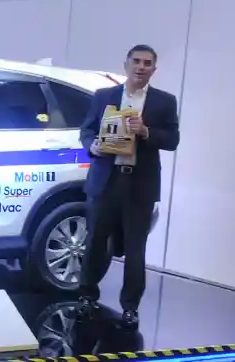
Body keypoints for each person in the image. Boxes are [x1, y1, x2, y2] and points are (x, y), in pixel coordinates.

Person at [76, 44, 180, 328]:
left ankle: (130, 307)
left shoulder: (164, 101)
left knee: (135, 249)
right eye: (136, 61)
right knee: (95, 242)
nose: (141, 67)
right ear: (126, 65)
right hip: (106, 180)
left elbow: (172, 140)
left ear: (154, 69)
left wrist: (146, 131)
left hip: (140, 183)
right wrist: (92, 146)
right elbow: (86, 130)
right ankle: (86, 296)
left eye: (147, 63)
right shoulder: (104, 96)